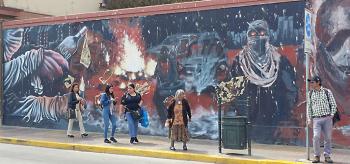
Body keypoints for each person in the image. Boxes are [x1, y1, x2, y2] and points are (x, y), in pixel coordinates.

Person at [230, 20, 297, 143]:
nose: (257, 38)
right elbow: (233, 90)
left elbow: (291, 90)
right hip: (248, 118)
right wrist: (241, 110)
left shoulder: (280, 61)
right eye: (252, 34)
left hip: (273, 120)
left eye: (261, 33)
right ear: (247, 37)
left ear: (268, 35)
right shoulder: (239, 62)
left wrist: (283, 113)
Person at [307, 76, 337, 163]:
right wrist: (309, 119)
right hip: (316, 119)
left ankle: (327, 155)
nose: (311, 84)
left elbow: (333, 104)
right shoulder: (310, 94)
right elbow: (309, 108)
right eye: (310, 82)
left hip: (327, 118)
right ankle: (317, 156)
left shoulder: (327, 92)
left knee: (328, 138)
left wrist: (331, 115)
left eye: (312, 82)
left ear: (318, 82)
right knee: (316, 137)